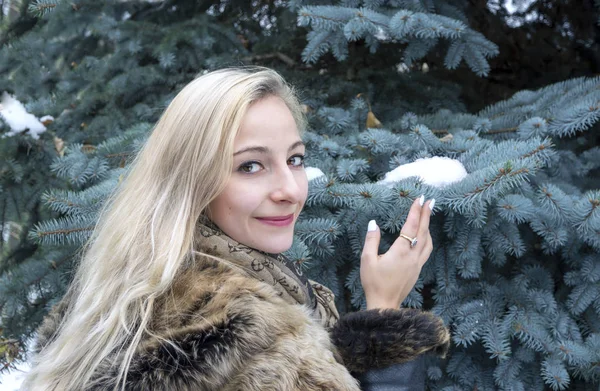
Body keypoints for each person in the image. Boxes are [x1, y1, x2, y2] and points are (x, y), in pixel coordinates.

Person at [23, 67, 449, 391]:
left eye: (295, 159)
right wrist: (386, 312)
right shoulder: (250, 335)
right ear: (193, 182)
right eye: (250, 165)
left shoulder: (113, 298)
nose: (290, 190)